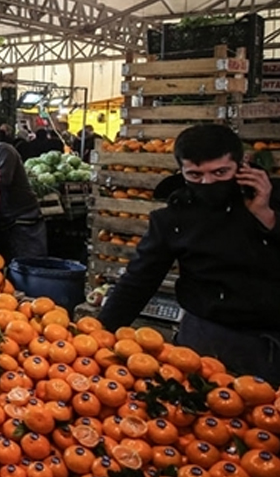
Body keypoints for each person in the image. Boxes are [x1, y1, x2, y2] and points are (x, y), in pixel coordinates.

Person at [98, 124, 280, 381]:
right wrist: (100, 333)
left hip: (270, 341)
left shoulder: (272, 200)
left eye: (220, 172)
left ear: (242, 165)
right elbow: (139, 280)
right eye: (195, 175)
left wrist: (266, 216)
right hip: (203, 339)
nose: (208, 183)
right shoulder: (173, 218)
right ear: (181, 171)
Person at [0, 124, 47, 261]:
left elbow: (2, 178)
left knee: (26, 263)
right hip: (8, 217)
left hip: (23, 218)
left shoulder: (3, 149)